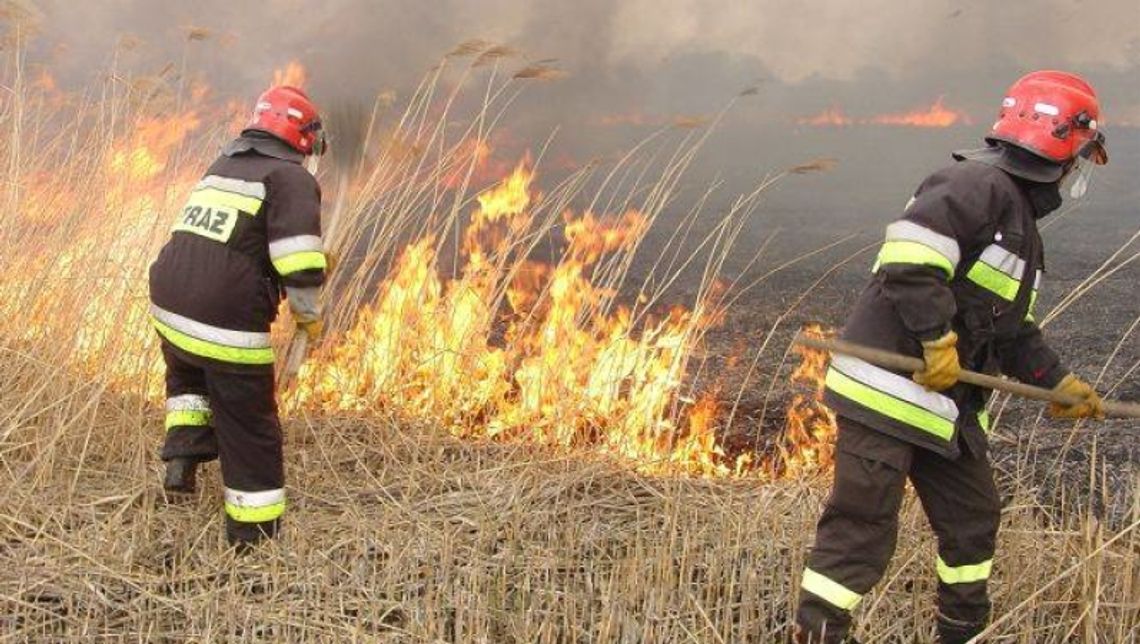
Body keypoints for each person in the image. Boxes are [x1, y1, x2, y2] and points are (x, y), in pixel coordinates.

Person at [794, 70, 1109, 643]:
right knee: (860, 532)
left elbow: (1011, 333)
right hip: (888, 394)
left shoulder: (1019, 223)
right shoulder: (973, 184)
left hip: (946, 409)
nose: (1079, 170)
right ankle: (818, 635)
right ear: (1067, 145)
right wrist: (936, 340)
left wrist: (1060, 382)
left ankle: (960, 633)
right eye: (1083, 155)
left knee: (972, 522)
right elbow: (910, 261)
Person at [148, 85, 327, 549]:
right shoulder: (291, 179)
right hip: (222, 315)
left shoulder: (222, 166)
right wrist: (310, 319)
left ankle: (181, 462)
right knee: (250, 423)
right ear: (304, 137)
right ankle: (254, 535)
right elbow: (299, 263)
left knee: (189, 380)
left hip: (168, 301)